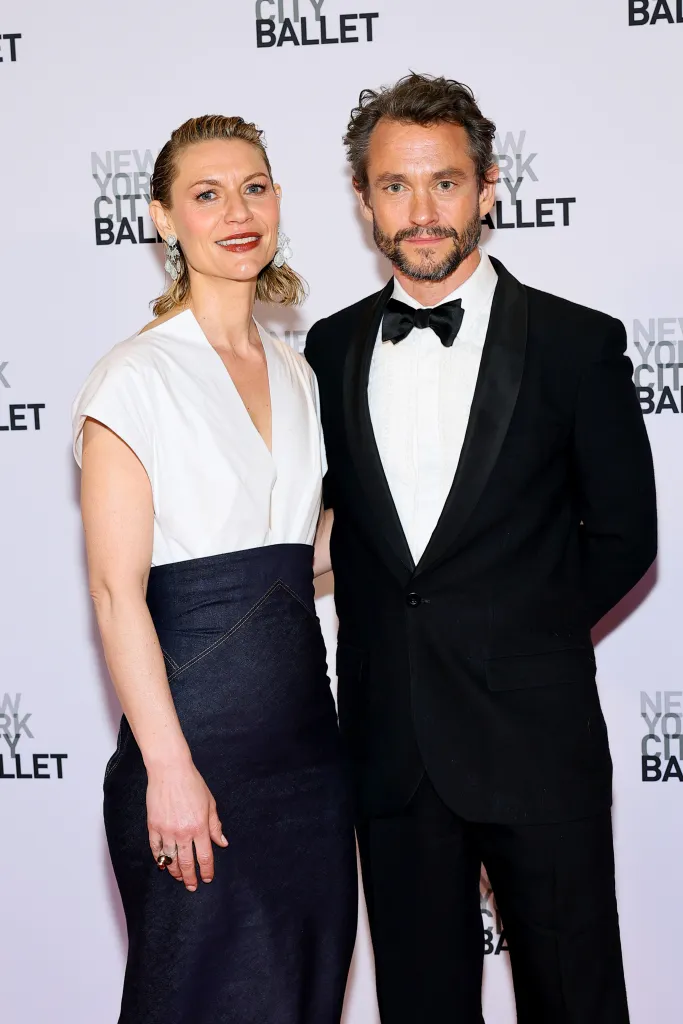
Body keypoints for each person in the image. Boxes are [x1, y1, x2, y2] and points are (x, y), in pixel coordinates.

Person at [305, 74, 657, 1024]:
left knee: (575, 998)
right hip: (389, 746)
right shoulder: (328, 352)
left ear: (489, 187)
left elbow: (626, 534)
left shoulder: (576, 343)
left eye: (445, 183)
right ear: (363, 198)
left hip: (534, 738)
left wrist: (521, 642)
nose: (421, 212)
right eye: (393, 186)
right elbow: (331, 529)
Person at [72, 115, 357, 1024]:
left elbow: (290, 553)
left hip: (309, 759)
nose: (237, 212)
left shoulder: (298, 371)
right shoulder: (133, 378)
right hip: (194, 752)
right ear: (163, 219)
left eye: (255, 187)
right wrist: (168, 768)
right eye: (206, 194)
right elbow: (118, 595)